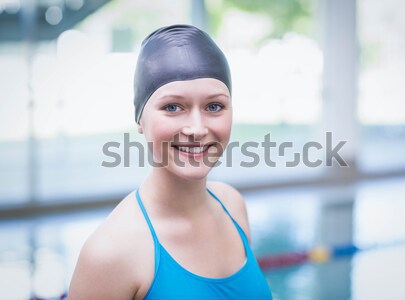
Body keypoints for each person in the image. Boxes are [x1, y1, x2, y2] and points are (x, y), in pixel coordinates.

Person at [68, 24, 272, 300]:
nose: (197, 129)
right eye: (173, 107)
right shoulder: (111, 253)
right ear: (140, 119)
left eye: (214, 106)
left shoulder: (232, 205)